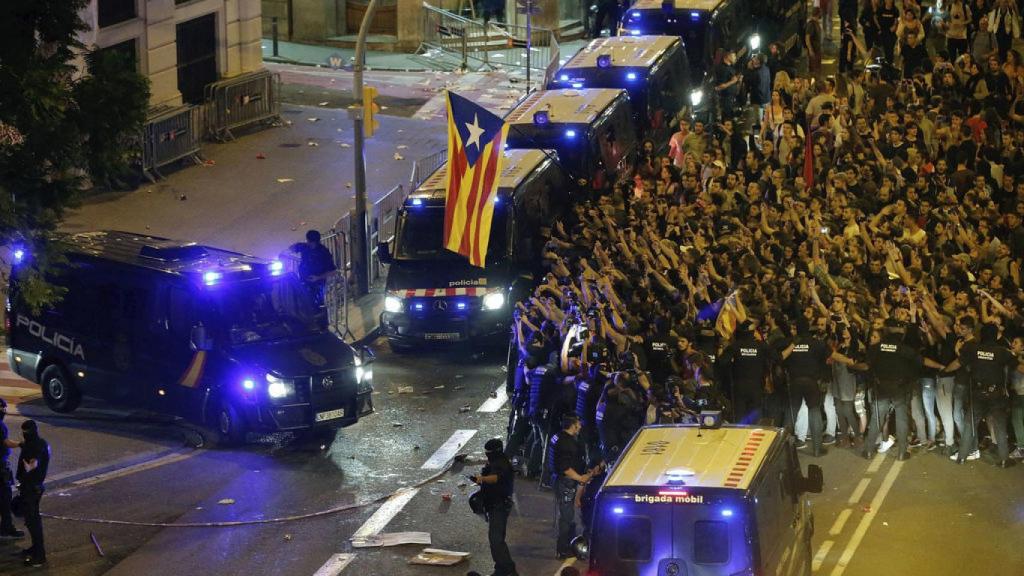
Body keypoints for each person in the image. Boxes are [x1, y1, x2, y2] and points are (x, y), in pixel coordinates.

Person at [943, 323, 1022, 467]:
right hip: (996, 395)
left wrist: (945, 371)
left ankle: (961, 457)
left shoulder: (974, 349)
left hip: (977, 394)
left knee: (969, 424)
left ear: (982, 335)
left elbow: (957, 363)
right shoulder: (1002, 352)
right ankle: (1004, 460)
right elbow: (1019, 367)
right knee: (999, 426)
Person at [470, 438, 518, 576]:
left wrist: (482, 479)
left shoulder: (502, 463)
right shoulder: (496, 461)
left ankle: (507, 570)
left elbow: (496, 478)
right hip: (494, 505)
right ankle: (502, 568)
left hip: (499, 506)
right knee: (495, 539)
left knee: (496, 539)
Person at [551, 414, 592, 559]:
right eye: (578, 424)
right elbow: (565, 467)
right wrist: (581, 478)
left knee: (568, 516)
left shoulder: (559, 436)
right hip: (566, 483)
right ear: (572, 425)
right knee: (566, 518)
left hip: (563, 481)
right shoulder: (565, 443)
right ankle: (562, 550)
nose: (580, 426)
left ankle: (568, 543)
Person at [15, 419, 49, 566]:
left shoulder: (35, 446)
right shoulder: (38, 442)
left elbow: (35, 461)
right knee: (31, 520)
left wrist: (29, 467)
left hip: (32, 488)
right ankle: (35, 548)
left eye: (25, 432)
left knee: (33, 521)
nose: (24, 435)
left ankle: (39, 556)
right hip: (31, 487)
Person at [0, 399, 25, 540]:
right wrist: (21, 444)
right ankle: (6, 529)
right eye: (3, 409)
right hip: (0, 467)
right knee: (5, 499)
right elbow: (6, 442)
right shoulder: (0, 426)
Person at [290, 230, 337, 303]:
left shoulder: (324, 252)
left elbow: (333, 271)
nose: (311, 245)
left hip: (318, 285)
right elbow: (291, 248)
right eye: (310, 242)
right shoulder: (304, 247)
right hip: (304, 282)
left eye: (313, 243)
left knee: (318, 303)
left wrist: (318, 277)